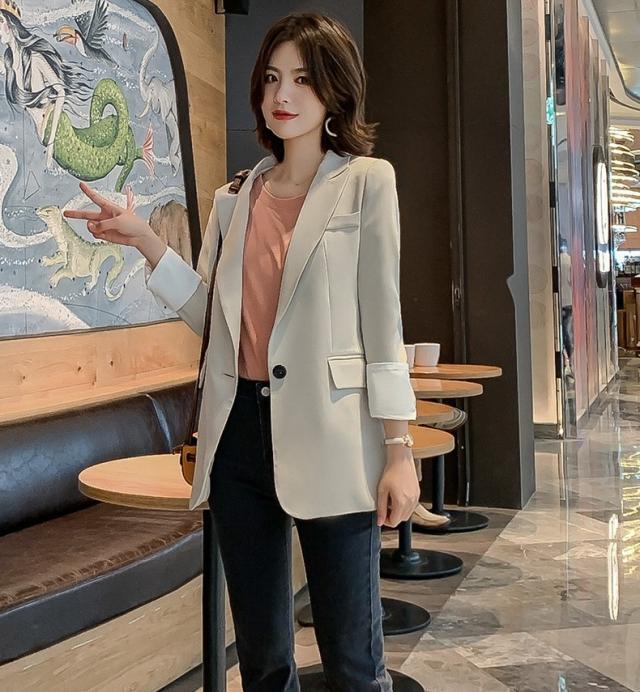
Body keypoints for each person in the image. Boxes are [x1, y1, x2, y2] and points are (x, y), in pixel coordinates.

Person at [65, 12, 419, 691]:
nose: (282, 95)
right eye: (272, 79)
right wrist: (146, 241)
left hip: (334, 433)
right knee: (261, 660)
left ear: (335, 91)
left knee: (352, 658)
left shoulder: (367, 182)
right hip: (238, 438)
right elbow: (214, 319)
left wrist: (397, 450)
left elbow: (383, 322)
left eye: (303, 80)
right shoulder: (235, 198)